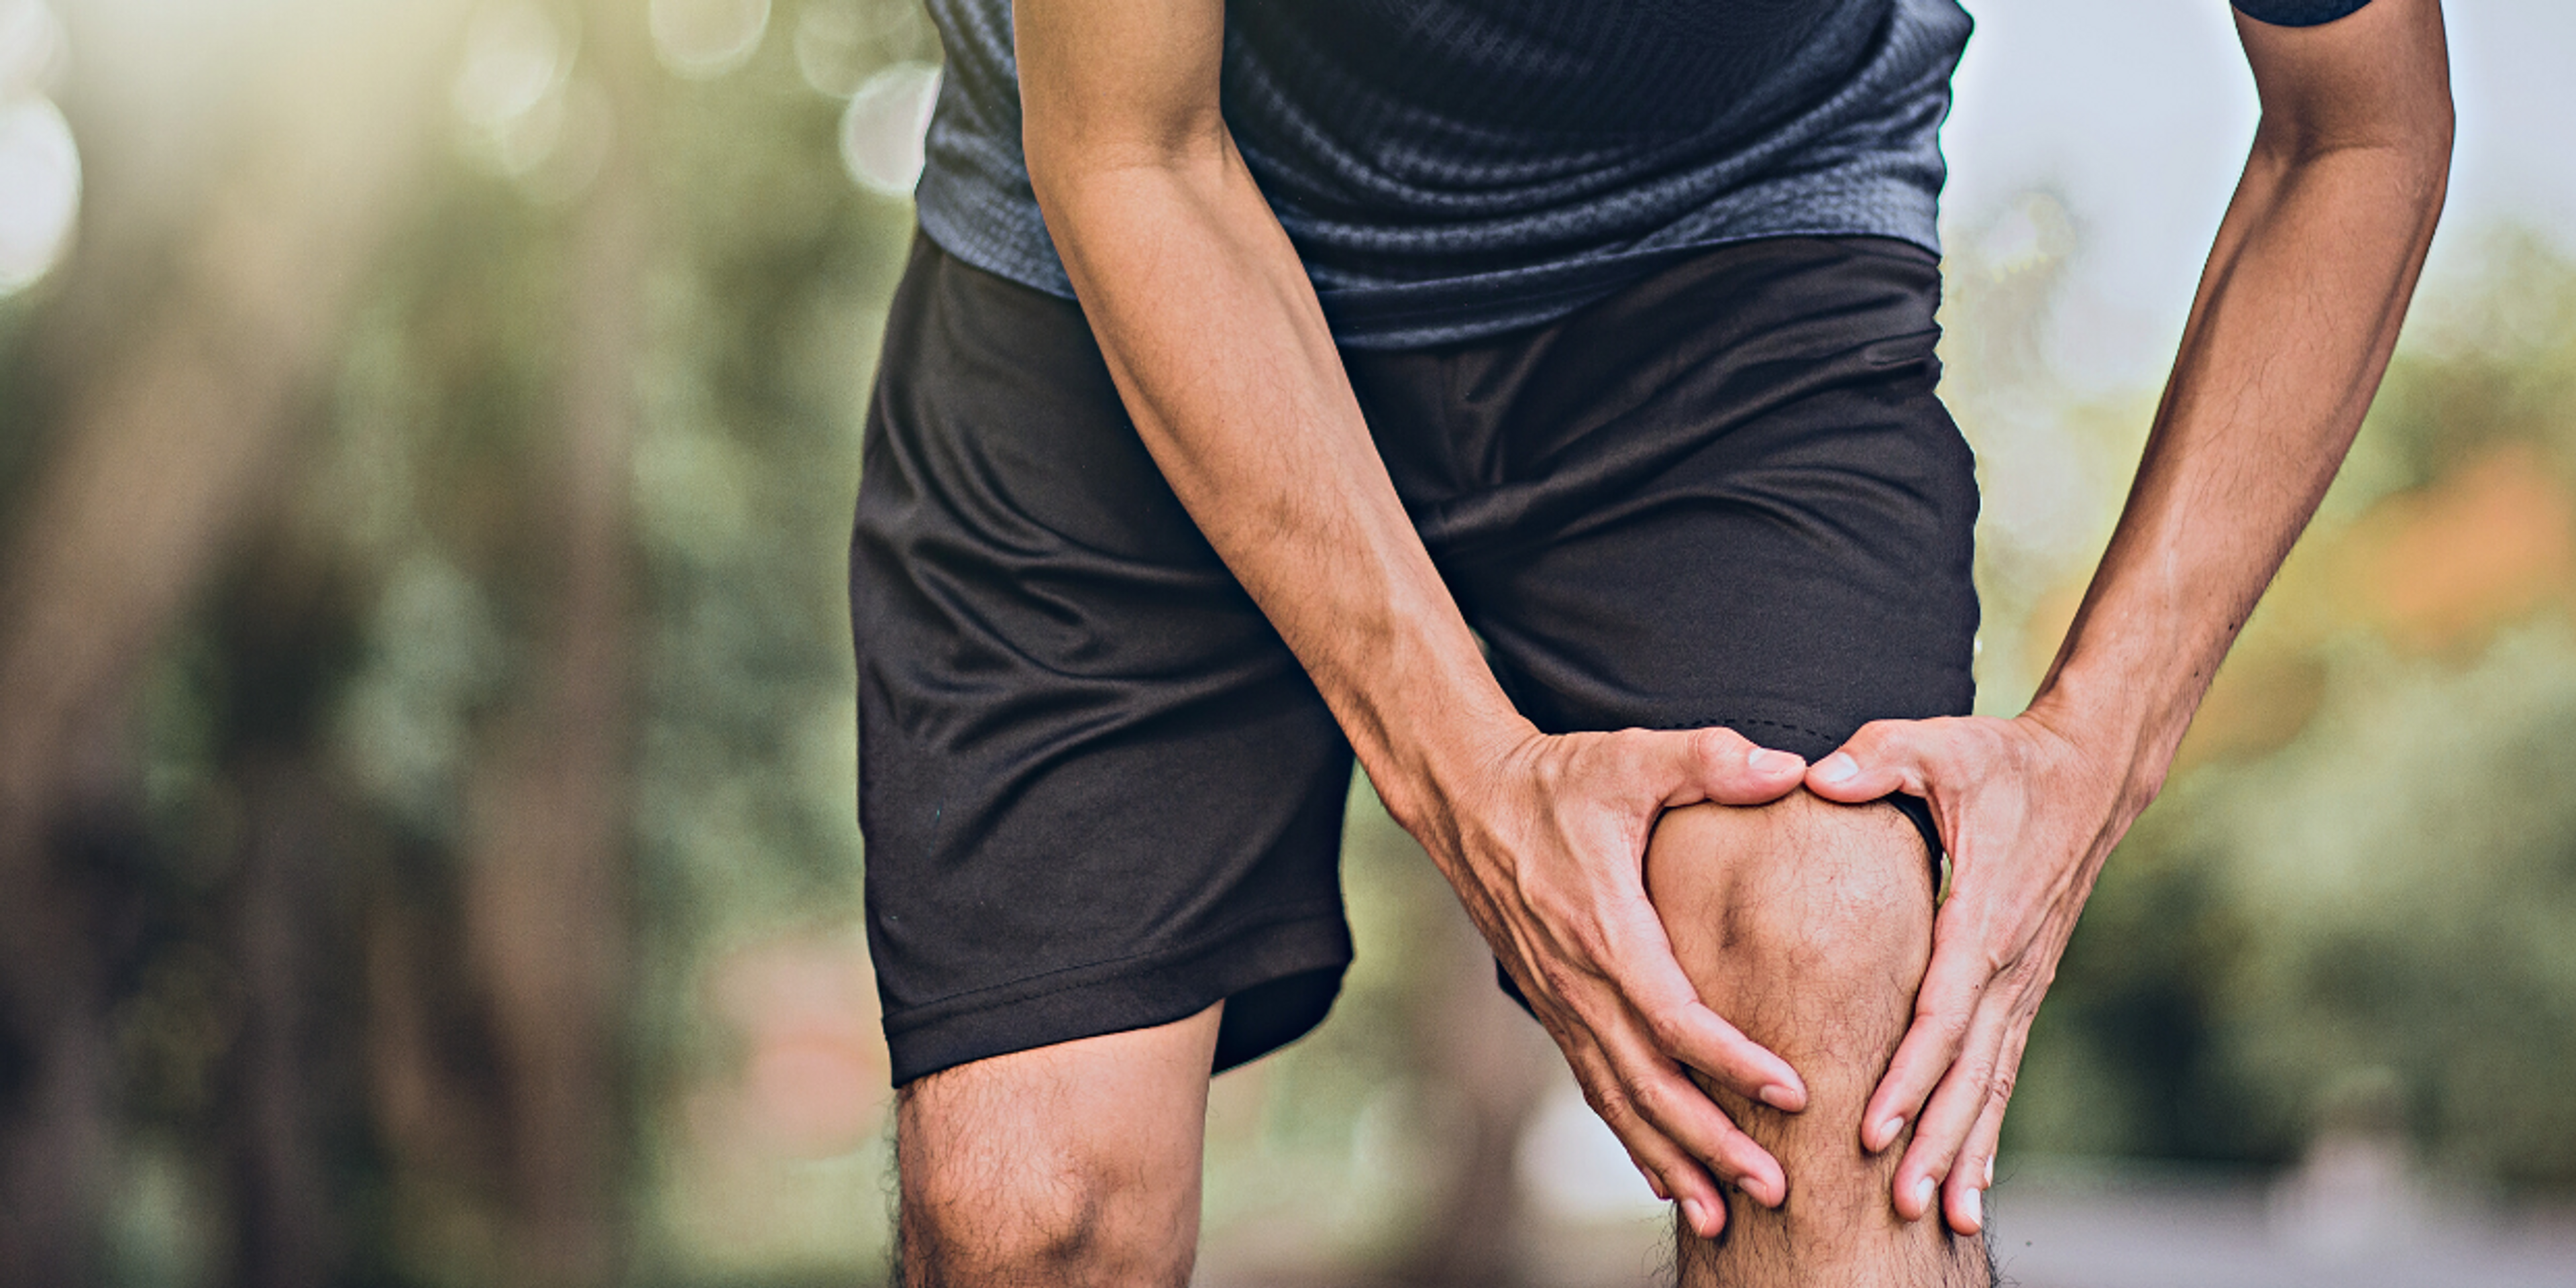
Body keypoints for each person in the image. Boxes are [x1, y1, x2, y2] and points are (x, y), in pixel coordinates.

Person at [845, 0, 2452, 1281]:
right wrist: (1475, 779)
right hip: (1120, 241)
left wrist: (2097, 747)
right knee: (1031, 1213)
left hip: (1721, 252)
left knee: (1829, 1007)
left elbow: (2360, 121)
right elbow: (1134, 149)